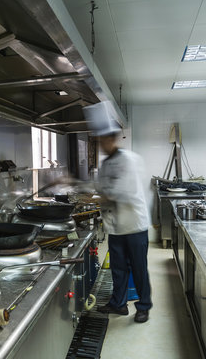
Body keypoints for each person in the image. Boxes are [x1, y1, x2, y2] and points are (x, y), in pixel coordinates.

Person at [83, 101, 152, 323]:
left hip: (133, 225)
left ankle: (143, 306)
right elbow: (100, 190)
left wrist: (91, 198)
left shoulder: (129, 161)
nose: (102, 144)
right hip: (115, 227)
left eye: (104, 140)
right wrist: (81, 188)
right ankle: (119, 304)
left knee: (139, 269)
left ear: (113, 138)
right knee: (118, 269)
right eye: (99, 140)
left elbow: (118, 193)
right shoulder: (105, 165)